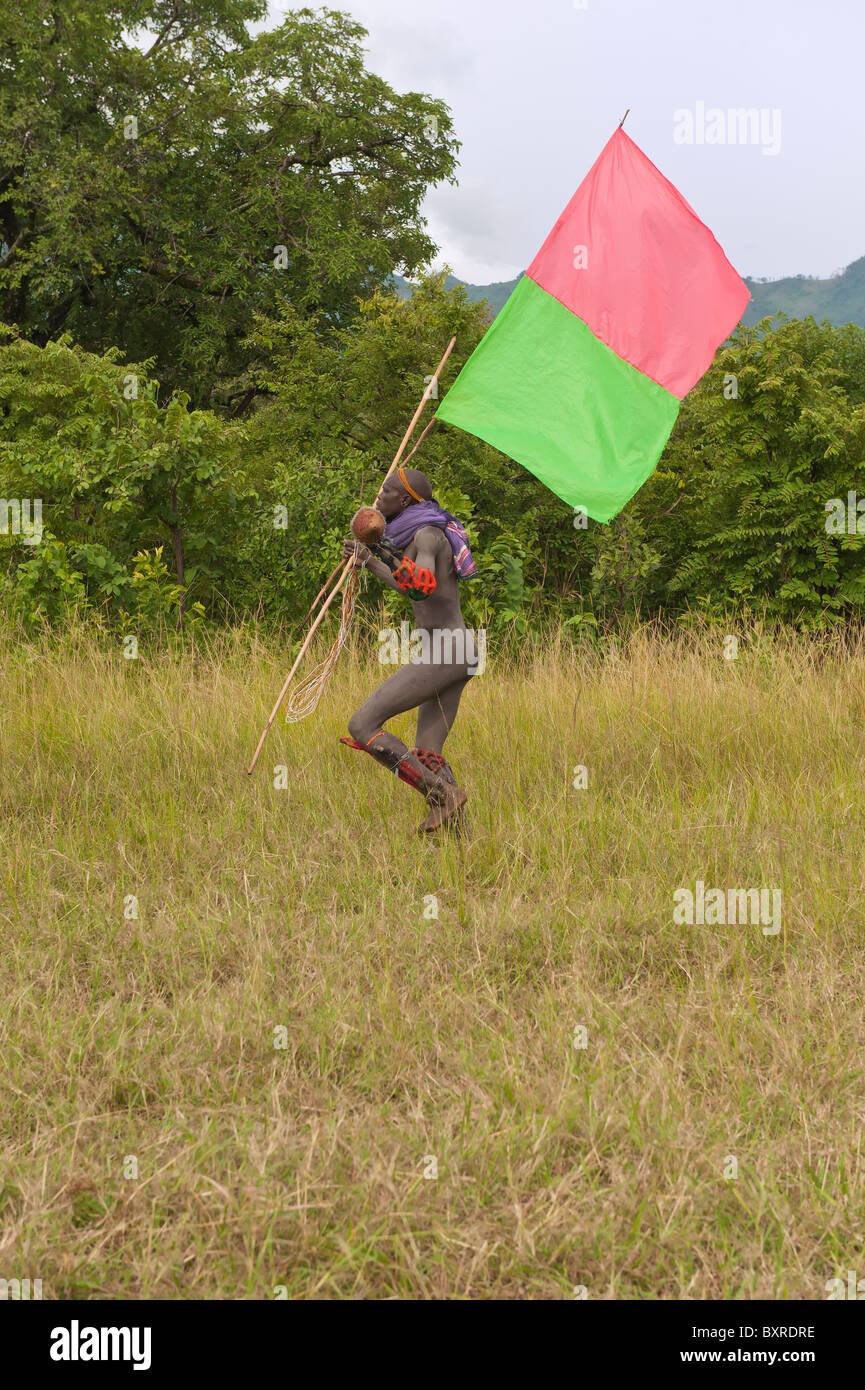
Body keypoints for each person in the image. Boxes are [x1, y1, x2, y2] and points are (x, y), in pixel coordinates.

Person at [340, 465, 479, 834]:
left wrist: (382, 553)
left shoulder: (429, 534)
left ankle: (442, 796)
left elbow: (421, 585)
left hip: (447, 651)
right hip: (456, 651)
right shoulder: (418, 535)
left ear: (404, 500)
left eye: (385, 492)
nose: (378, 497)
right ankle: (458, 836)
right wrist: (369, 559)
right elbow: (409, 587)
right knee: (428, 752)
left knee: (362, 724)